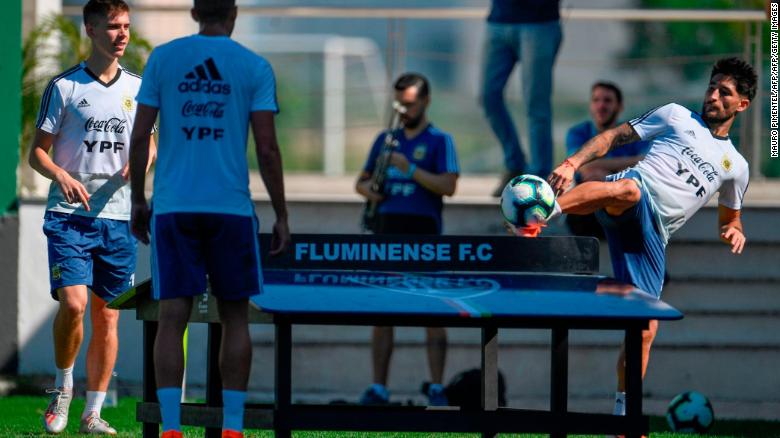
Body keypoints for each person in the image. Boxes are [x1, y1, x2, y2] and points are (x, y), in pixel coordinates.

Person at [544, 57, 755, 420]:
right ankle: (541, 212)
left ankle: (624, 415)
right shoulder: (676, 115)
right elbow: (614, 137)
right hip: (629, 196)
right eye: (711, 87)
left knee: (645, 327)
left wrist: (733, 229)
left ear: (742, 104)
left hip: (654, 236)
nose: (714, 96)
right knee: (628, 189)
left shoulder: (736, 166)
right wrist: (572, 163)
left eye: (725, 92)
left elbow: (730, 218)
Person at [128, 1, 290, 437]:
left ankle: (171, 428)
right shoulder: (253, 66)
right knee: (235, 317)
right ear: (233, 14)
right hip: (231, 210)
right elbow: (268, 149)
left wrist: (137, 201)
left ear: (196, 12)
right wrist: (281, 214)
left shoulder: (164, 58)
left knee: (172, 315)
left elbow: (140, 135)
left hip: (175, 207)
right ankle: (233, 428)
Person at [29, 0, 156, 434]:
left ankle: (93, 412)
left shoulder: (139, 88)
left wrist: (137, 167)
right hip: (69, 215)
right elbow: (37, 153)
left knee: (107, 314)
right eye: (113, 27)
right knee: (75, 303)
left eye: (126, 26)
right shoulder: (64, 87)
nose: (121, 34)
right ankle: (63, 388)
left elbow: (149, 143)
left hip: (118, 218)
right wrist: (61, 174)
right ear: (90, 29)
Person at [355, 73, 460, 406]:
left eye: (410, 103)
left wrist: (410, 170)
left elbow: (448, 186)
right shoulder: (385, 140)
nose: (403, 109)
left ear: (425, 101)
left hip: (423, 232)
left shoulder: (440, 140)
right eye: (399, 102)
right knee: (383, 312)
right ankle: (379, 388)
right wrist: (370, 190)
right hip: (386, 229)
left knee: (432, 311)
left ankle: (437, 386)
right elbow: (361, 182)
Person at [481, 0, 562, 196]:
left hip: (539, 23)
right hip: (498, 21)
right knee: (488, 97)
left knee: (536, 106)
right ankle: (514, 163)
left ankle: (539, 180)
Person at [565, 82, 649, 238]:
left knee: (596, 176)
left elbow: (646, 164)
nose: (601, 105)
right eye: (596, 100)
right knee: (593, 177)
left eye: (608, 100)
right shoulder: (578, 132)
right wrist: (618, 171)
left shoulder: (633, 133)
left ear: (620, 106)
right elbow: (580, 166)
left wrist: (602, 173)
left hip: (624, 207)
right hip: (585, 214)